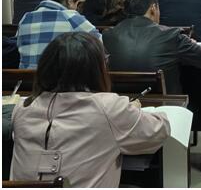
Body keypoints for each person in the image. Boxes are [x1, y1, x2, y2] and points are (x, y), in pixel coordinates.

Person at [10, 32, 170, 187]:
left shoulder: (23, 108)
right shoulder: (108, 107)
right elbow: (159, 130)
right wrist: (130, 111)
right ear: (96, 69)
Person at [103, 0, 201, 93]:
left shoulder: (108, 35)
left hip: (121, 102)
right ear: (153, 8)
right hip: (165, 104)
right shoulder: (171, 35)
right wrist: (193, 44)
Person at [16, 0, 101, 69]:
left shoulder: (26, 18)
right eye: (77, 3)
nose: (77, 8)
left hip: (26, 76)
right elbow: (100, 42)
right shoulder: (71, 16)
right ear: (71, 0)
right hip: (59, 76)